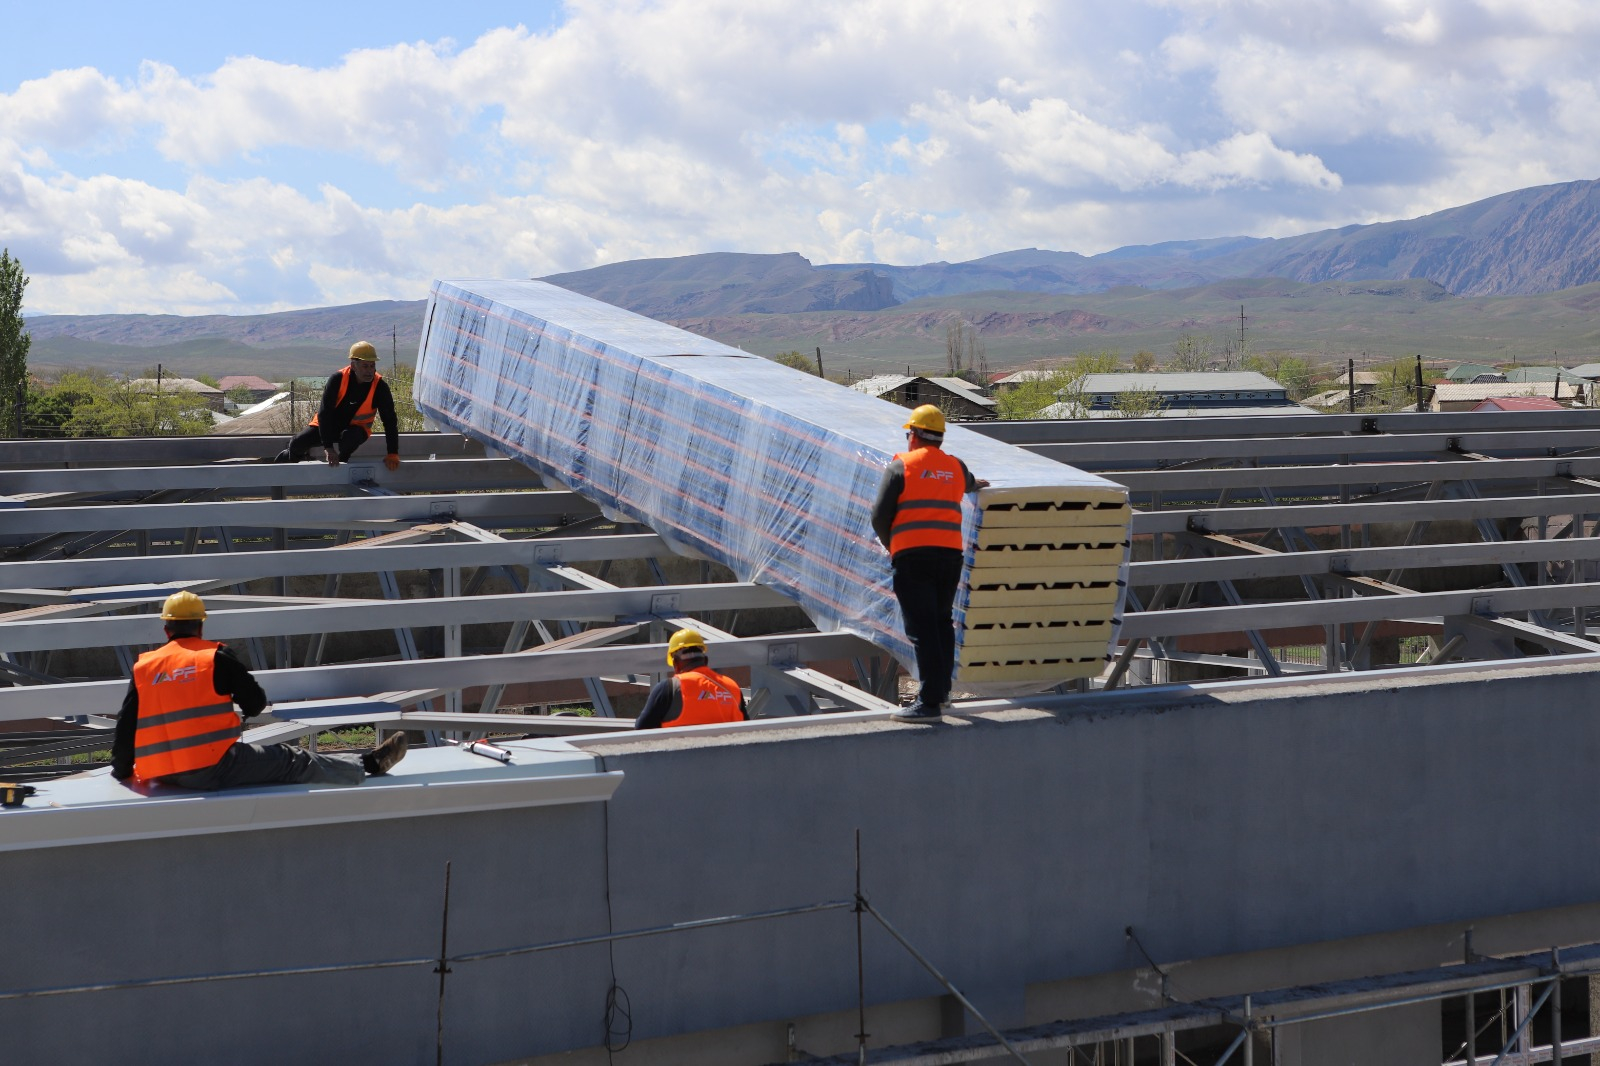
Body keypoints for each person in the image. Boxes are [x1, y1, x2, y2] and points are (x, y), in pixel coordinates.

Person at [111, 591, 408, 790]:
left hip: (161, 773)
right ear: (200, 626)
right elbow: (255, 703)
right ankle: (367, 765)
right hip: (212, 767)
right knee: (291, 759)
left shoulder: (145, 667)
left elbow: (126, 725)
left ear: (166, 629)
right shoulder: (214, 658)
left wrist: (121, 772)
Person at [871, 405, 988, 721]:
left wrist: (892, 545)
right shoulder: (955, 467)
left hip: (913, 557)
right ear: (939, 437)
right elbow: (970, 483)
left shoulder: (901, 466)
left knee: (922, 628)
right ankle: (943, 693)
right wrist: (977, 484)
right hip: (949, 557)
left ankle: (930, 702)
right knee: (940, 623)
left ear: (913, 434)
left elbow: (879, 515)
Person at [273, 341, 401, 469]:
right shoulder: (338, 379)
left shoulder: (380, 387)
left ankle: (341, 465)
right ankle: (288, 464)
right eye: (365, 366)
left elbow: (390, 421)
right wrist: (328, 448)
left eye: (372, 366)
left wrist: (393, 453)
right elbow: (324, 413)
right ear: (353, 366)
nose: (369, 371)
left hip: (356, 430)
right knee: (297, 443)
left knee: (349, 440)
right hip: (329, 426)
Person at [635, 628, 748, 729]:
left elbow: (641, 731)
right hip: (728, 747)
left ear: (676, 664)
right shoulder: (732, 687)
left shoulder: (669, 689)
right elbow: (748, 730)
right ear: (705, 661)